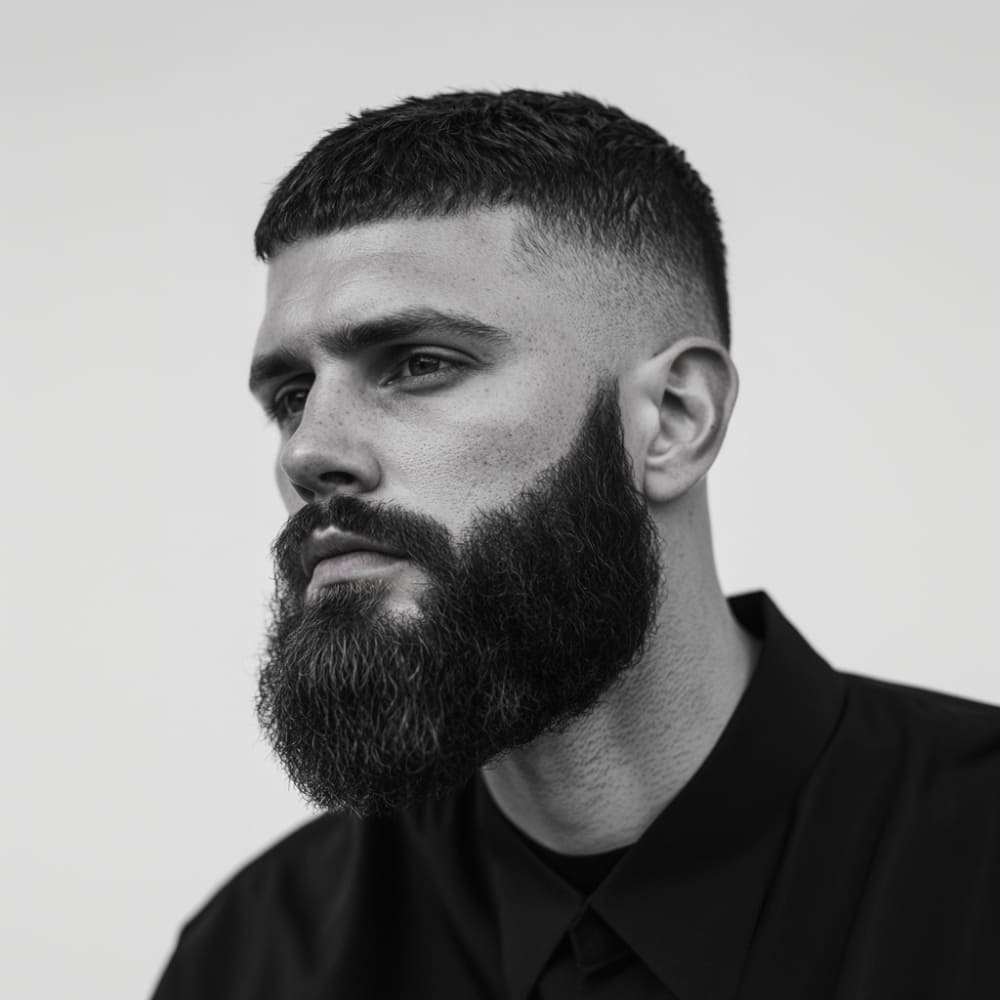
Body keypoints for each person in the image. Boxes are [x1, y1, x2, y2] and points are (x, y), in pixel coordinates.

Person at [151, 90, 1000, 999]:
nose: (307, 452)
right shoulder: (254, 959)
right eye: (291, 396)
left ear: (674, 420)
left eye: (420, 363)